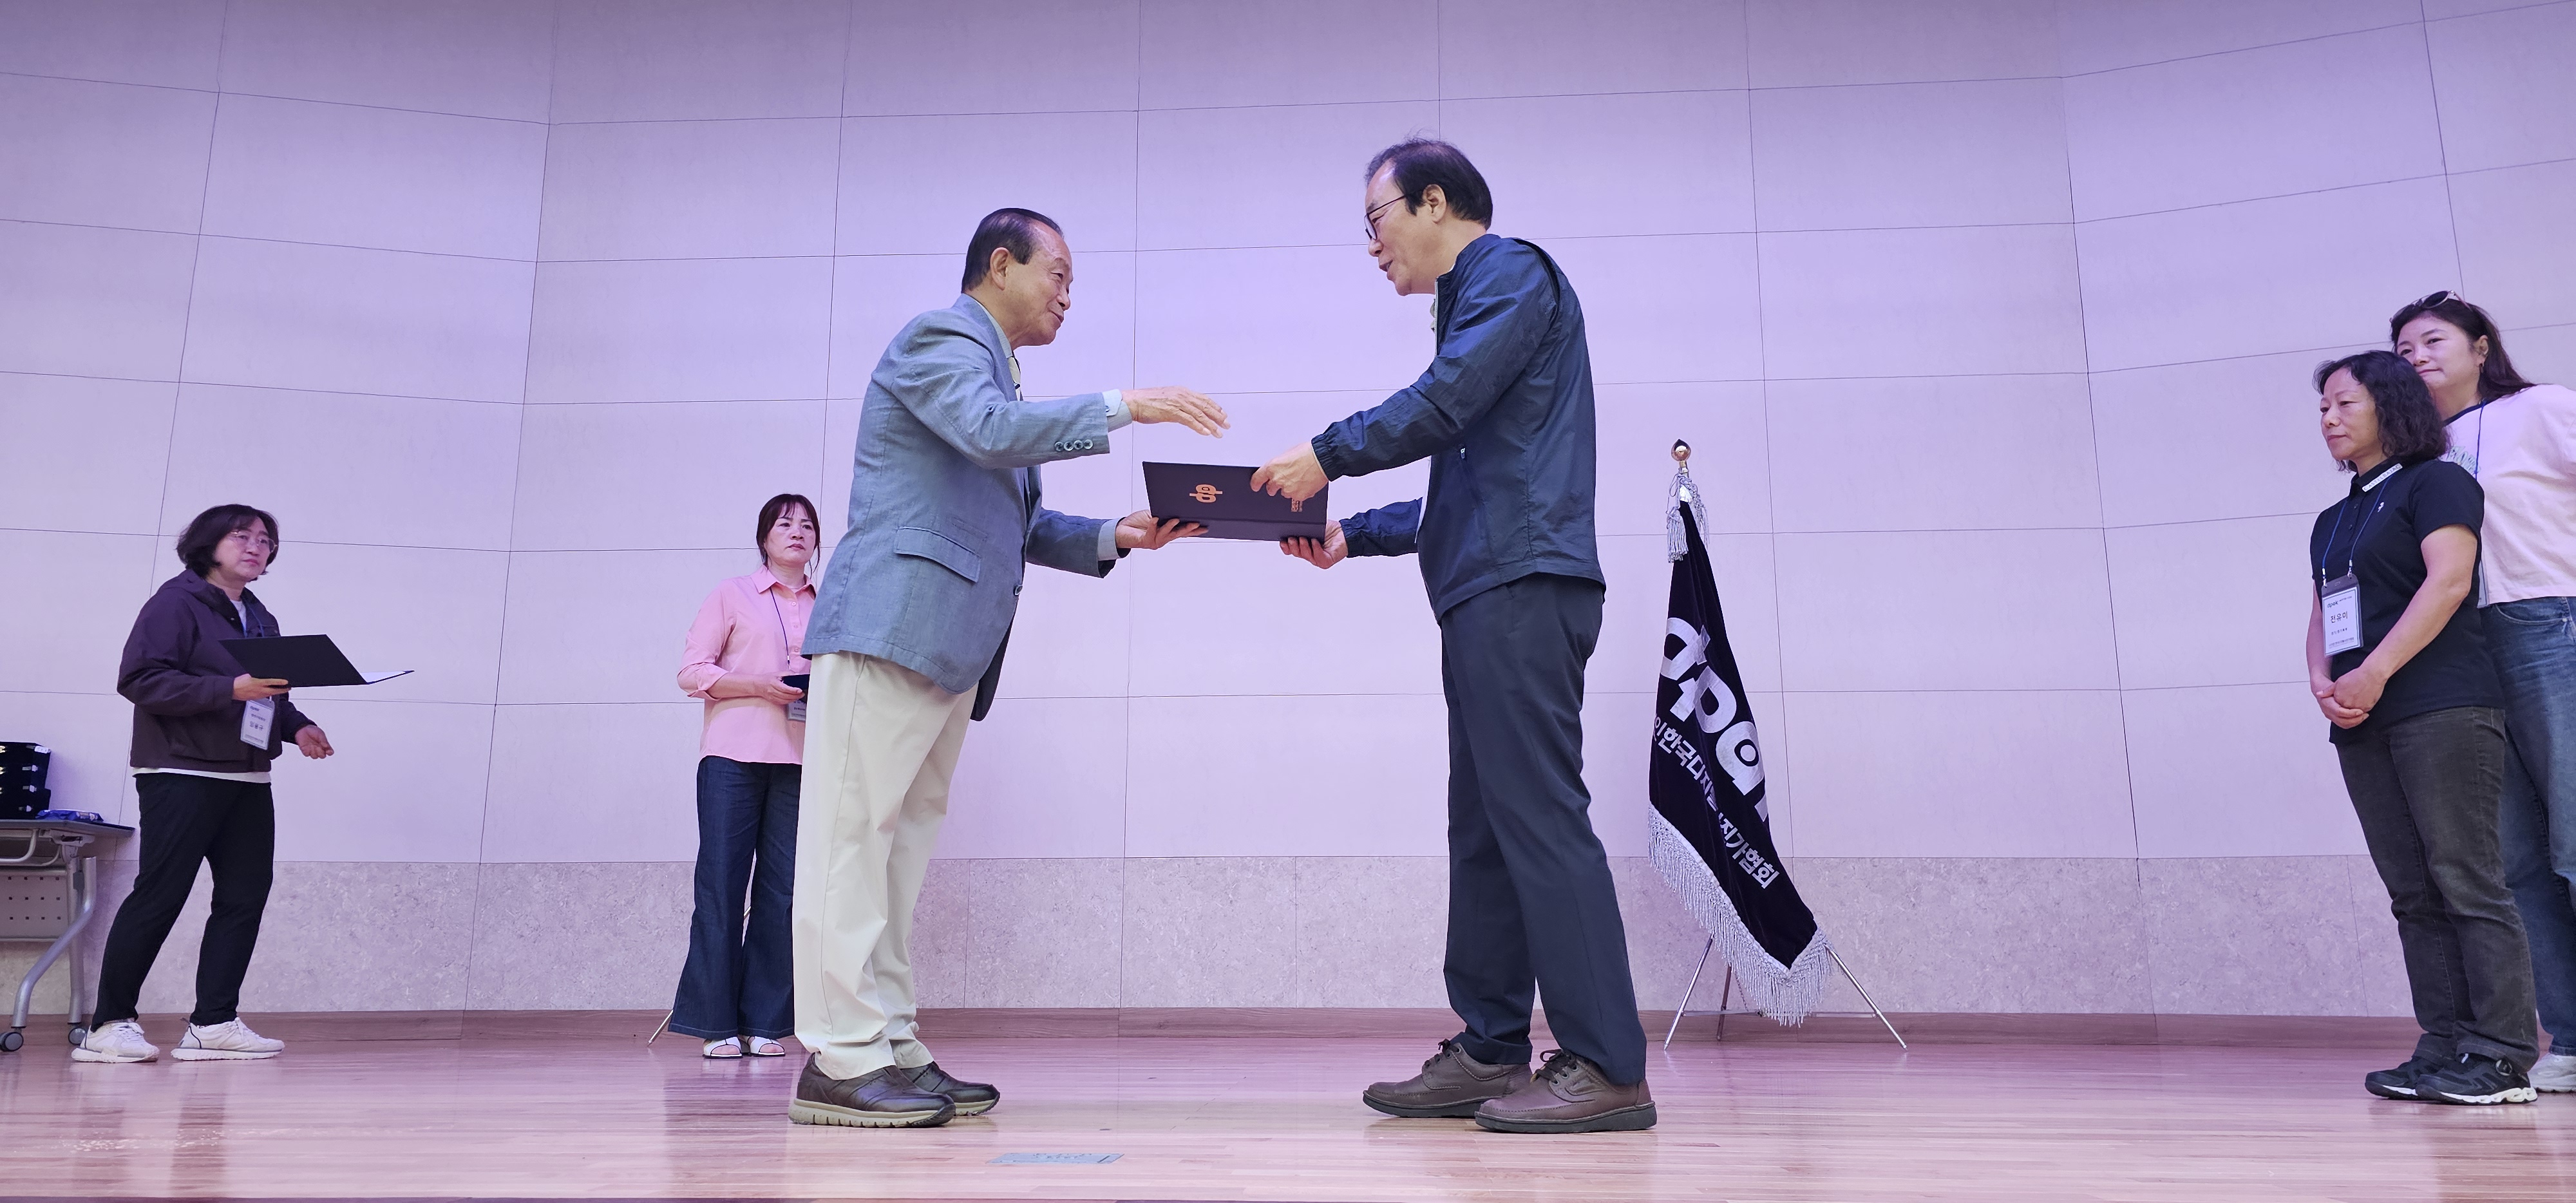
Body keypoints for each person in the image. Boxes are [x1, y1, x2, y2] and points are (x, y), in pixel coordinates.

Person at [787, 207, 1227, 1128]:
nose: (1068, 296)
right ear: (1000, 265)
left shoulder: (998, 379)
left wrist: (1116, 534)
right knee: (849, 846)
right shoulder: (941, 339)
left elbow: (1015, 521)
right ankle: (840, 1057)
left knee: (896, 858)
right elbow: (990, 431)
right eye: (1057, 274)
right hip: (889, 629)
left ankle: (892, 1044)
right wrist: (1126, 405)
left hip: (946, 649)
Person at [1252, 138, 1652, 1133]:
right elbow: (1463, 485)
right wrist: (1352, 533)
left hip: (1522, 588)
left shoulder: (1509, 272)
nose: (1372, 245)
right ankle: (1489, 1049)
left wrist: (1327, 454)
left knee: (1540, 820)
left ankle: (1608, 1064)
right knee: (1484, 833)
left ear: (1435, 201)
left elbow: (1445, 402)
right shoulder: (1472, 304)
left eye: (1376, 220)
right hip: (1484, 589)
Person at [2306, 350, 2537, 1104]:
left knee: (2467, 878)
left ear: (2392, 406)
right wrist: (2321, 678)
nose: (2329, 418)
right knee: (2411, 890)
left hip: (2441, 704)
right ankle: (2442, 1044)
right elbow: (2324, 611)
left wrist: (2374, 670)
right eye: (2323, 408)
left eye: (2344, 403)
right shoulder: (2334, 518)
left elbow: (2448, 581)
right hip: (2362, 717)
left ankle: (2500, 1053)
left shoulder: (2436, 481)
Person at [2392, 291, 2576, 1094]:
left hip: (2548, 622)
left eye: (2432, 340)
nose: (2417, 357)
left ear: (2480, 346)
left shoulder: (2539, 408)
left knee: (2574, 839)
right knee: (2514, 860)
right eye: (2403, 351)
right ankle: (2569, 1033)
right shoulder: (2419, 457)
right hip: (2463, 650)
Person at [77, 504, 336, 1064]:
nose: (256, 547)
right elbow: (140, 680)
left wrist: (297, 726)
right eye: (241, 536)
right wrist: (227, 690)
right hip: (181, 770)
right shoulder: (175, 602)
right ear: (208, 544)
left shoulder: (259, 614)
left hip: (248, 775)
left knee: (244, 896)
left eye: (265, 540)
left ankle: (213, 1023)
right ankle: (109, 1025)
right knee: (161, 894)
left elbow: (268, 692)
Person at [669, 493, 820, 1059]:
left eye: (807, 525)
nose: (797, 532)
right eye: (785, 524)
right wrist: (758, 685)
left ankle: (764, 1022)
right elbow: (691, 672)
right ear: (764, 537)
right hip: (732, 757)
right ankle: (715, 1024)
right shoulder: (731, 594)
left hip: (800, 760)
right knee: (722, 885)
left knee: (783, 894)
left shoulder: (829, 604)